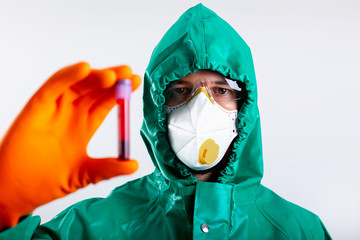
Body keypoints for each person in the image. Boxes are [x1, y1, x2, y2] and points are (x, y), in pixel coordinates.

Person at [0, 4, 331, 239]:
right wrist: (4, 210)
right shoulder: (92, 228)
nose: (202, 107)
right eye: (179, 91)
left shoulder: (299, 230)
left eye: (221, 90)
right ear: (156, 108)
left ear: (246, 106)